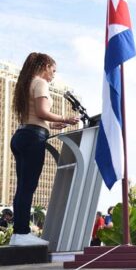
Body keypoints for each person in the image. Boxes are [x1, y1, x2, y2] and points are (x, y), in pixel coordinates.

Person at [9, 53, 79, 246]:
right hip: (33, 138)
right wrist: (65, 118)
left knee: (23, 187)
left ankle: (18, 234)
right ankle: (22, 234)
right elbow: (41, 112)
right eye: (53, 70)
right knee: (28, 187)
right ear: (45, 65)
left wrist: (51, 125)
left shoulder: (26, 83)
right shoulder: (40, 82)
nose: (53, 75)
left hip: (22, 135)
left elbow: (36, 116)